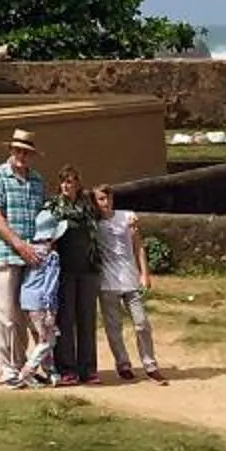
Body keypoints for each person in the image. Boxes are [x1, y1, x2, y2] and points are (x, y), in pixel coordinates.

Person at [0, 128, 47, 387]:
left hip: (31, 258)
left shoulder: (37, 181)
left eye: (26, 152)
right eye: (18, 150)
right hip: (5, 254)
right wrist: (19, 245)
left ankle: (21, 367)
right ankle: (6, 369)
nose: (21, 156)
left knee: (24, 316)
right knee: (4, 314)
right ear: (10, 150)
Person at [96, 183, 165, 383]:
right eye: (101, 199)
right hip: (108, 281)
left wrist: (145, 273)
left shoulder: (126, 217)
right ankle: (123, 363)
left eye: (108, 198)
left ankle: (150, 364)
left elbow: (138, 246)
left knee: (142, 323)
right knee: (113, 326)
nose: (106, 202)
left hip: (130, 278)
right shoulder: (94, 223)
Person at [50, 165, 105, 385]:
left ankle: (88, 368)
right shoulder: (53, 207)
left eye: (71, 181)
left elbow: (107, 215)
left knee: (87, 319)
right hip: (64, 270)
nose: (67, 185)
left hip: (88, 269)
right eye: (63, 181)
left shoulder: (89, 206)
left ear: (78, 183)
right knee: (65, 320)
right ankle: (67, 368)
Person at [18, 199, 65, 383]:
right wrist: (50, 310)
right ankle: (27, 372)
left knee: (40, 337)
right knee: (48, 341)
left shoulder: (31, 250)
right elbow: (50, 285)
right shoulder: (51, 256)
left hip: (26, 300)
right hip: (40, 302)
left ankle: (50, 372)